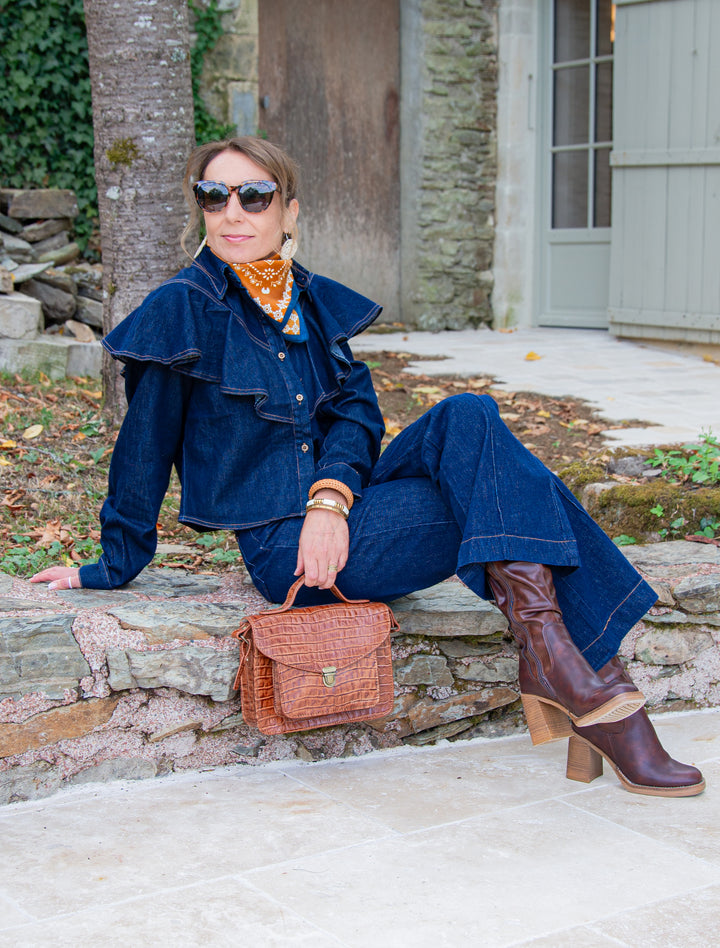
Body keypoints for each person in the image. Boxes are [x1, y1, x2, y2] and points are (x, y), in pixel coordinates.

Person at [32, 136, 704, 798]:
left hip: (348, 510)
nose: (232, 211)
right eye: (214, 195)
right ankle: (591, 681)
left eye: (254, 195)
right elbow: (141, 452)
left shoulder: (313, 302)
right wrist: (109, 565)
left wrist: (330, 500)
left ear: (288, 211)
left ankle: (558, 664)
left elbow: (357, 420)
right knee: (506, 488)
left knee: (470, 416)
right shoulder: (182, 310)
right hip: (283, 547)